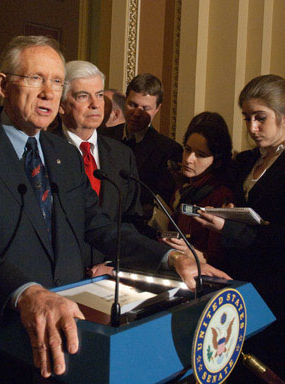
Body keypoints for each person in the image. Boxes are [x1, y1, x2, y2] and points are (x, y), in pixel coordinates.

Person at [0, 35, 230, 383]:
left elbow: (101, 227)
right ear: (2, 84)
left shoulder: (64, 155)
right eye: (35, 78)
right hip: (1, 343)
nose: (48, 92)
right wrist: (28, 293)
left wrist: (170, 259)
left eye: (57, 81)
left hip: (72, 337)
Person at [196, 74, 285, 381]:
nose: (252, 128)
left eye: (261, 119)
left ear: (283, 116)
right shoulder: (247, 160)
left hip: (275, 289)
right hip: (239, 280)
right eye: (247, 118)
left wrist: (230, 227)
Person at [57, 60, 142, 270]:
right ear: (61, 105)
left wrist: (113, 263)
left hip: (108, 275)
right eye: (83, 96)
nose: (96, 104)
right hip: (60, 276)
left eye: (100, 95)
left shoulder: (122, 155)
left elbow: (132, 219)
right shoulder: (44, 151)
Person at [101, 74, 183, 219]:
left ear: (157, 108)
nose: (137, 113)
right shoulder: (103, 137)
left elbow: (160, 203)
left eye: (145, 108)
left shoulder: (168, 150)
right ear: (125, 100)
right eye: (132, 105)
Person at [161, 112, 234, 269]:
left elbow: (217, 259)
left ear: (217, 161)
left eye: (200, 155)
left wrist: (189, 251)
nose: (188, 159)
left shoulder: (220, 195)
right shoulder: (186, 188)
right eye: (187, 149)